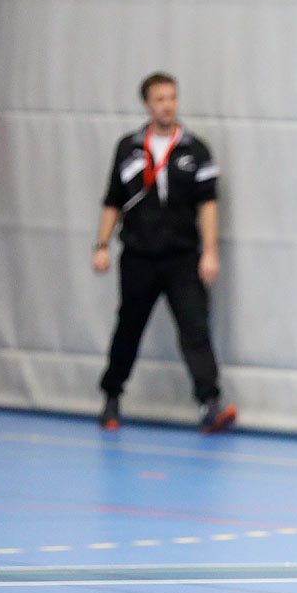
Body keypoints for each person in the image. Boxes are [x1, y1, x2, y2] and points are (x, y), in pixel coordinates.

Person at [92, 72, 237, 433]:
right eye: (159, 99)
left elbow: (208, 204)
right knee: (129, 327)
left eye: (172, 98)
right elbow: (113, 201)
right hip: (139, 255)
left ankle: (209, 403)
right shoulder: (127, 148)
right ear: (147, 104)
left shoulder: (195, 149)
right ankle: (111, 398)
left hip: (182, 256)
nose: (167, 105)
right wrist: (101, 245)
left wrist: (210, 252)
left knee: (195, 328)